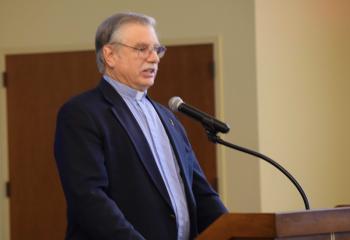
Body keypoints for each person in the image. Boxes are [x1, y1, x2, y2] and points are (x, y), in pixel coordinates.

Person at [54, 12, 227, 240]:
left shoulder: (168, 118)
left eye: (157, 49)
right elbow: (89, 198)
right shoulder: (82, 113)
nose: (154, 58)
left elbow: (201, 194)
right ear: (110, 55)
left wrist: (237, 231)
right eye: (141, 49)